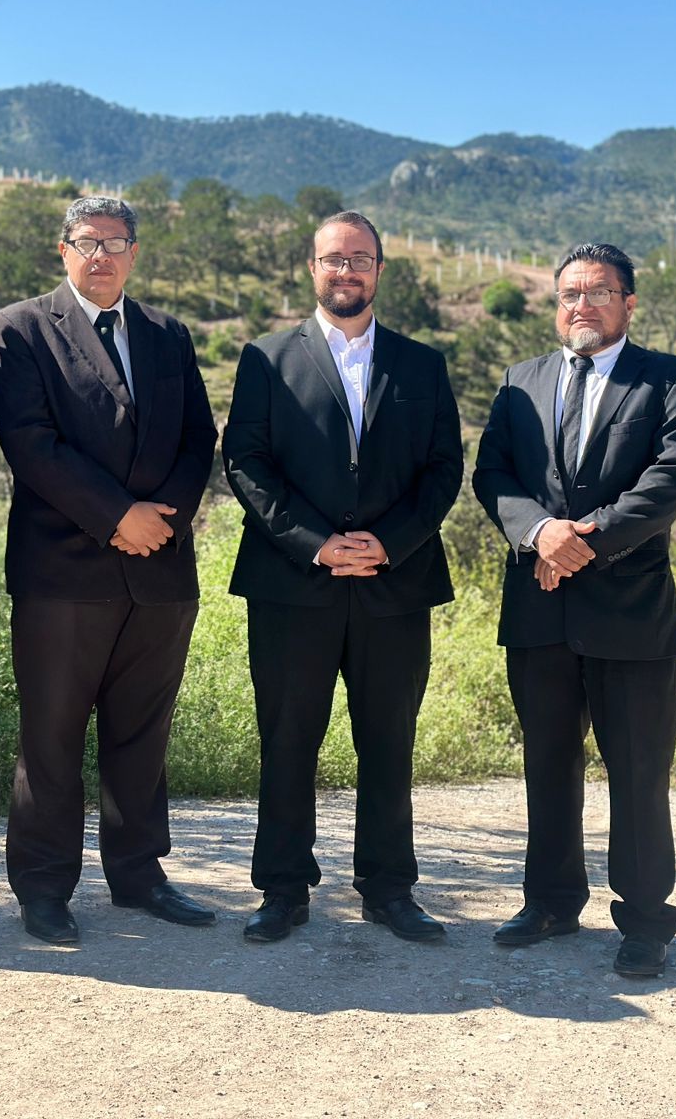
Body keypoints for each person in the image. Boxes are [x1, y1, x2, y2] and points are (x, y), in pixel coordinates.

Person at [222, 210, 463, 943]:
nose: (346, 271)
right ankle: (282, 890)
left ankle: (389, 888)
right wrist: (316, 544)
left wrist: (384, 544)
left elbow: (444, 469)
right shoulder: (265, 357)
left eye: (360, 259)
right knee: (288, 737)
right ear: (311, 269)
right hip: (293, 583)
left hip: (395, 584)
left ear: (380, 270)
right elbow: (246, 463)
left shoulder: (422, 363)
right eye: (333, 259)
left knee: (388, 740)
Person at [0, 197, 217, 944]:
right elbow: (30, 442)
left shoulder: (168, 335)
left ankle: (140, 875)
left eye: (116, 242)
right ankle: (46, 887)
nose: (102, 256)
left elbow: (198, 440)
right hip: (63, 571)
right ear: (63, 250)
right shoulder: (21, 329)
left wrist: (162, 522)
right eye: (88, 242)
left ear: (135, 252)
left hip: (160, 571)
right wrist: (119, 517)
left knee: (142, 734)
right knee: (51, 736)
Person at [472, 242, 676, 977]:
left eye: (599, 293)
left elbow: (670, 479)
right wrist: (540, 533)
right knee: (548, 763)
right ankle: (549, 902)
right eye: (570, 293)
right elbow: (494, 473)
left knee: (638, 771)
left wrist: (586, 539)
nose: (582, 305)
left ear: (629, 304)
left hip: (632, 613)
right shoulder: (522, 381)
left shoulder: (670, 380)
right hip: (538, 610)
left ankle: (644, 921)